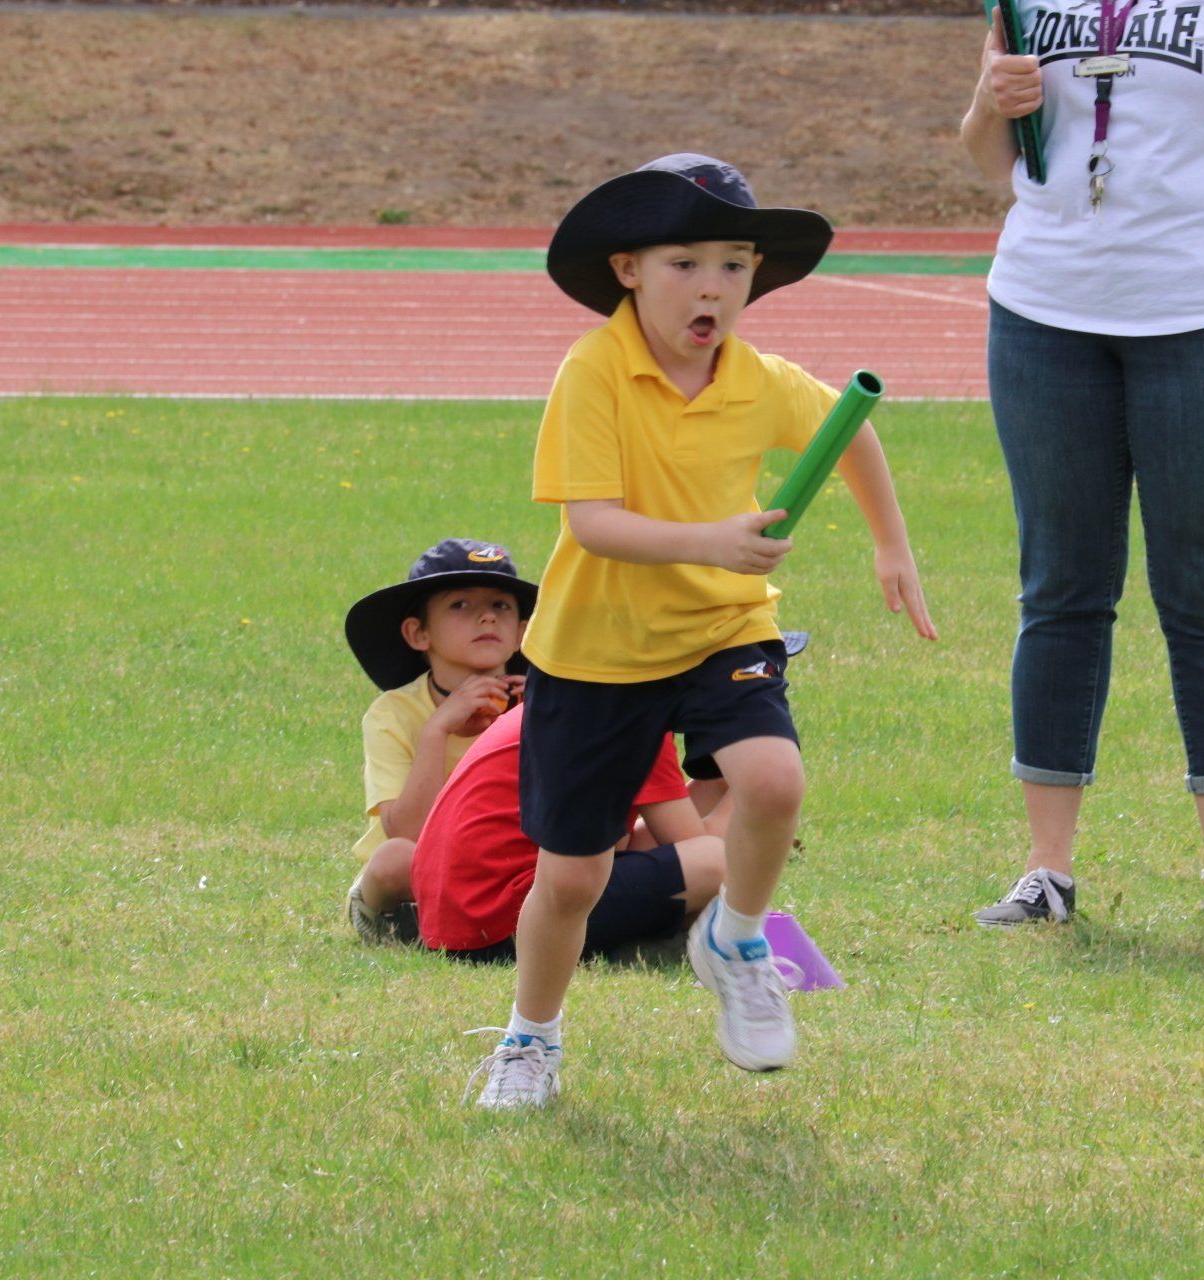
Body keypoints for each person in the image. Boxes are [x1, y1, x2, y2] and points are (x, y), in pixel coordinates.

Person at [467, 153, 937, 1110]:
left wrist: (892, 544)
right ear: (629, 271)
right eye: (685, 263)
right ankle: (531, 1042)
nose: (713, 286)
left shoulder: (759, 380)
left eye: (733, 264)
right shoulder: (593, 372)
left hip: (724, 629)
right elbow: (591, 522)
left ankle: (737, 938)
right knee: (570, 881)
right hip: (594, 655)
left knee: (774, 780)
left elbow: (846, 429)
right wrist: (712, 540)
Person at [961, 1, 1204, 929]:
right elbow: (999, 162)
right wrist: (987, 105)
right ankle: (1045, 872)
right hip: (1044, 314)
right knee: (1058, 590)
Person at [400, 700, 723, 969]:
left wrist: (720, 780)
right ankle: (648, 945)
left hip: (457, 926)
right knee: (717, 861)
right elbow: (698, 850)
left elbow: (629, 846)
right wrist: (759, 784)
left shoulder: (582, 701)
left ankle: (636, 945)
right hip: (508, 921)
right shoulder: (637, 715)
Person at [342, 539, 532, 944]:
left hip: (508, 865)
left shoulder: (539, 708)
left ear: (521, 632)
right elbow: (406, 832)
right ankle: (388, 917)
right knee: (392, 860)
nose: (486, 618)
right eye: (460, 605)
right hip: (419, 864)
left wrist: (538, 718)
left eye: (501, 605)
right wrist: (437, 730)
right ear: (417, 633)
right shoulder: (393, 713)